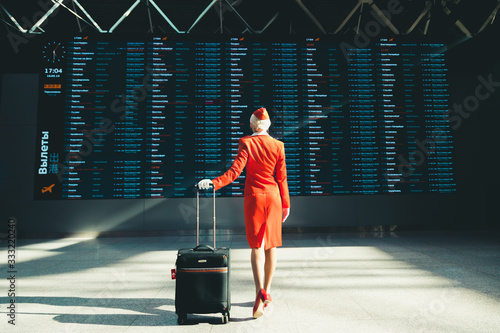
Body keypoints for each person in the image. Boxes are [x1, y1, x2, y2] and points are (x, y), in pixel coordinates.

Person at [198, 107, 290, 319]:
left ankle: (259, 292)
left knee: (256, 245)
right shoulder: (279, 145)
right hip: (275, 198)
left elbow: (234, 172)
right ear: (268, 126)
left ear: (251, 125)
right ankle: (267, 291)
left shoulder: (246, 142)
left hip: (255, 198)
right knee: (271, 245)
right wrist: (286, 204)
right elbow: (282, 178)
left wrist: (213, 183)